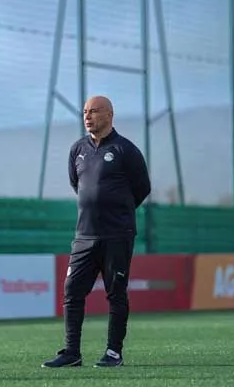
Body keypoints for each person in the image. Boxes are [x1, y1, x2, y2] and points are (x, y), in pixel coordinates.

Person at [42, 95, 151, 368]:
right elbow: (76, 184)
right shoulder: (77, 149)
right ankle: (71, 353)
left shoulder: (126, 150)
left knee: (116, 293)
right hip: (84, 236)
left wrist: (118, 211)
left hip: (117, 235)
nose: (88, 116)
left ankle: (114, 352)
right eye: (85, 112)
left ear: (109, 115)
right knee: (72, 290)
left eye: (94, 111)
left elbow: (142, 188)